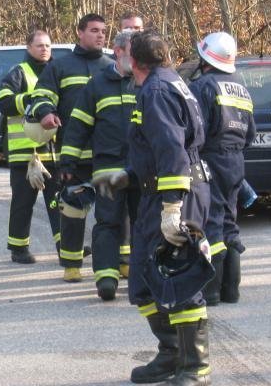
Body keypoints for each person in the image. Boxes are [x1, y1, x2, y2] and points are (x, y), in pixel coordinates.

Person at [95, 30, 212, 384]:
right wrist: (128, 176)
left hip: (176, 194)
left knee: (179, 280)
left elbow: (173, 152)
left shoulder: (158, 91)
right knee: (145, 282)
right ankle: (171, 353)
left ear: (134, 60)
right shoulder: (163, 83)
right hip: (156, 193)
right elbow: (154, 149)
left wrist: (172, 209)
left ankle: (196, 366)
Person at [29, 13, 113, 282]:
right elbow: (41, 95)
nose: (100, 35)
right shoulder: (60, 67)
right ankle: (72, 265)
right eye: (94, 30)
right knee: (73, 211)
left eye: (103, 31)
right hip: (73, 155)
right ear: (79, 32)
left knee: (113, 213)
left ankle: (119, 262)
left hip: (107, 155)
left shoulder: (111, 67)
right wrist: (45, 112)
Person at [61, 31, 139, 300]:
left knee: (143, 223)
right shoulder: (97, 85)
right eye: (133, 50)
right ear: (118, 52)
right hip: (108, 167)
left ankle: (142, 275)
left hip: (142, 168)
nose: (138, 57)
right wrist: (68, 162)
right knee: (107, 222)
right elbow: (78, 125)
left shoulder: (147, 82)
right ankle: (106, 277)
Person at [188, 32, 256, 305]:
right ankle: (232, 290)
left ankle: (212, 291)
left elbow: (195, 129)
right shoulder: (242, 88)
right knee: (229, 220)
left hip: (210, 160)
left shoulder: (203, 86)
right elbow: (250, 134)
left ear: (205, 57)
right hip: (235, 161)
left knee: (211, 221)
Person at [0, 29, 60, 264]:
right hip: (25, 154)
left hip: (53, 151)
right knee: (23, 203)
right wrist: (32, 100)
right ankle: (19, 248)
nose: (45, 49)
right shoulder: (19, 73)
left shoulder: (57, 71)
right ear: (28, 48)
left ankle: (66, 246)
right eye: (40, 45)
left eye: (48, 46)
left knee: (59, 201)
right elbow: (3, 102)